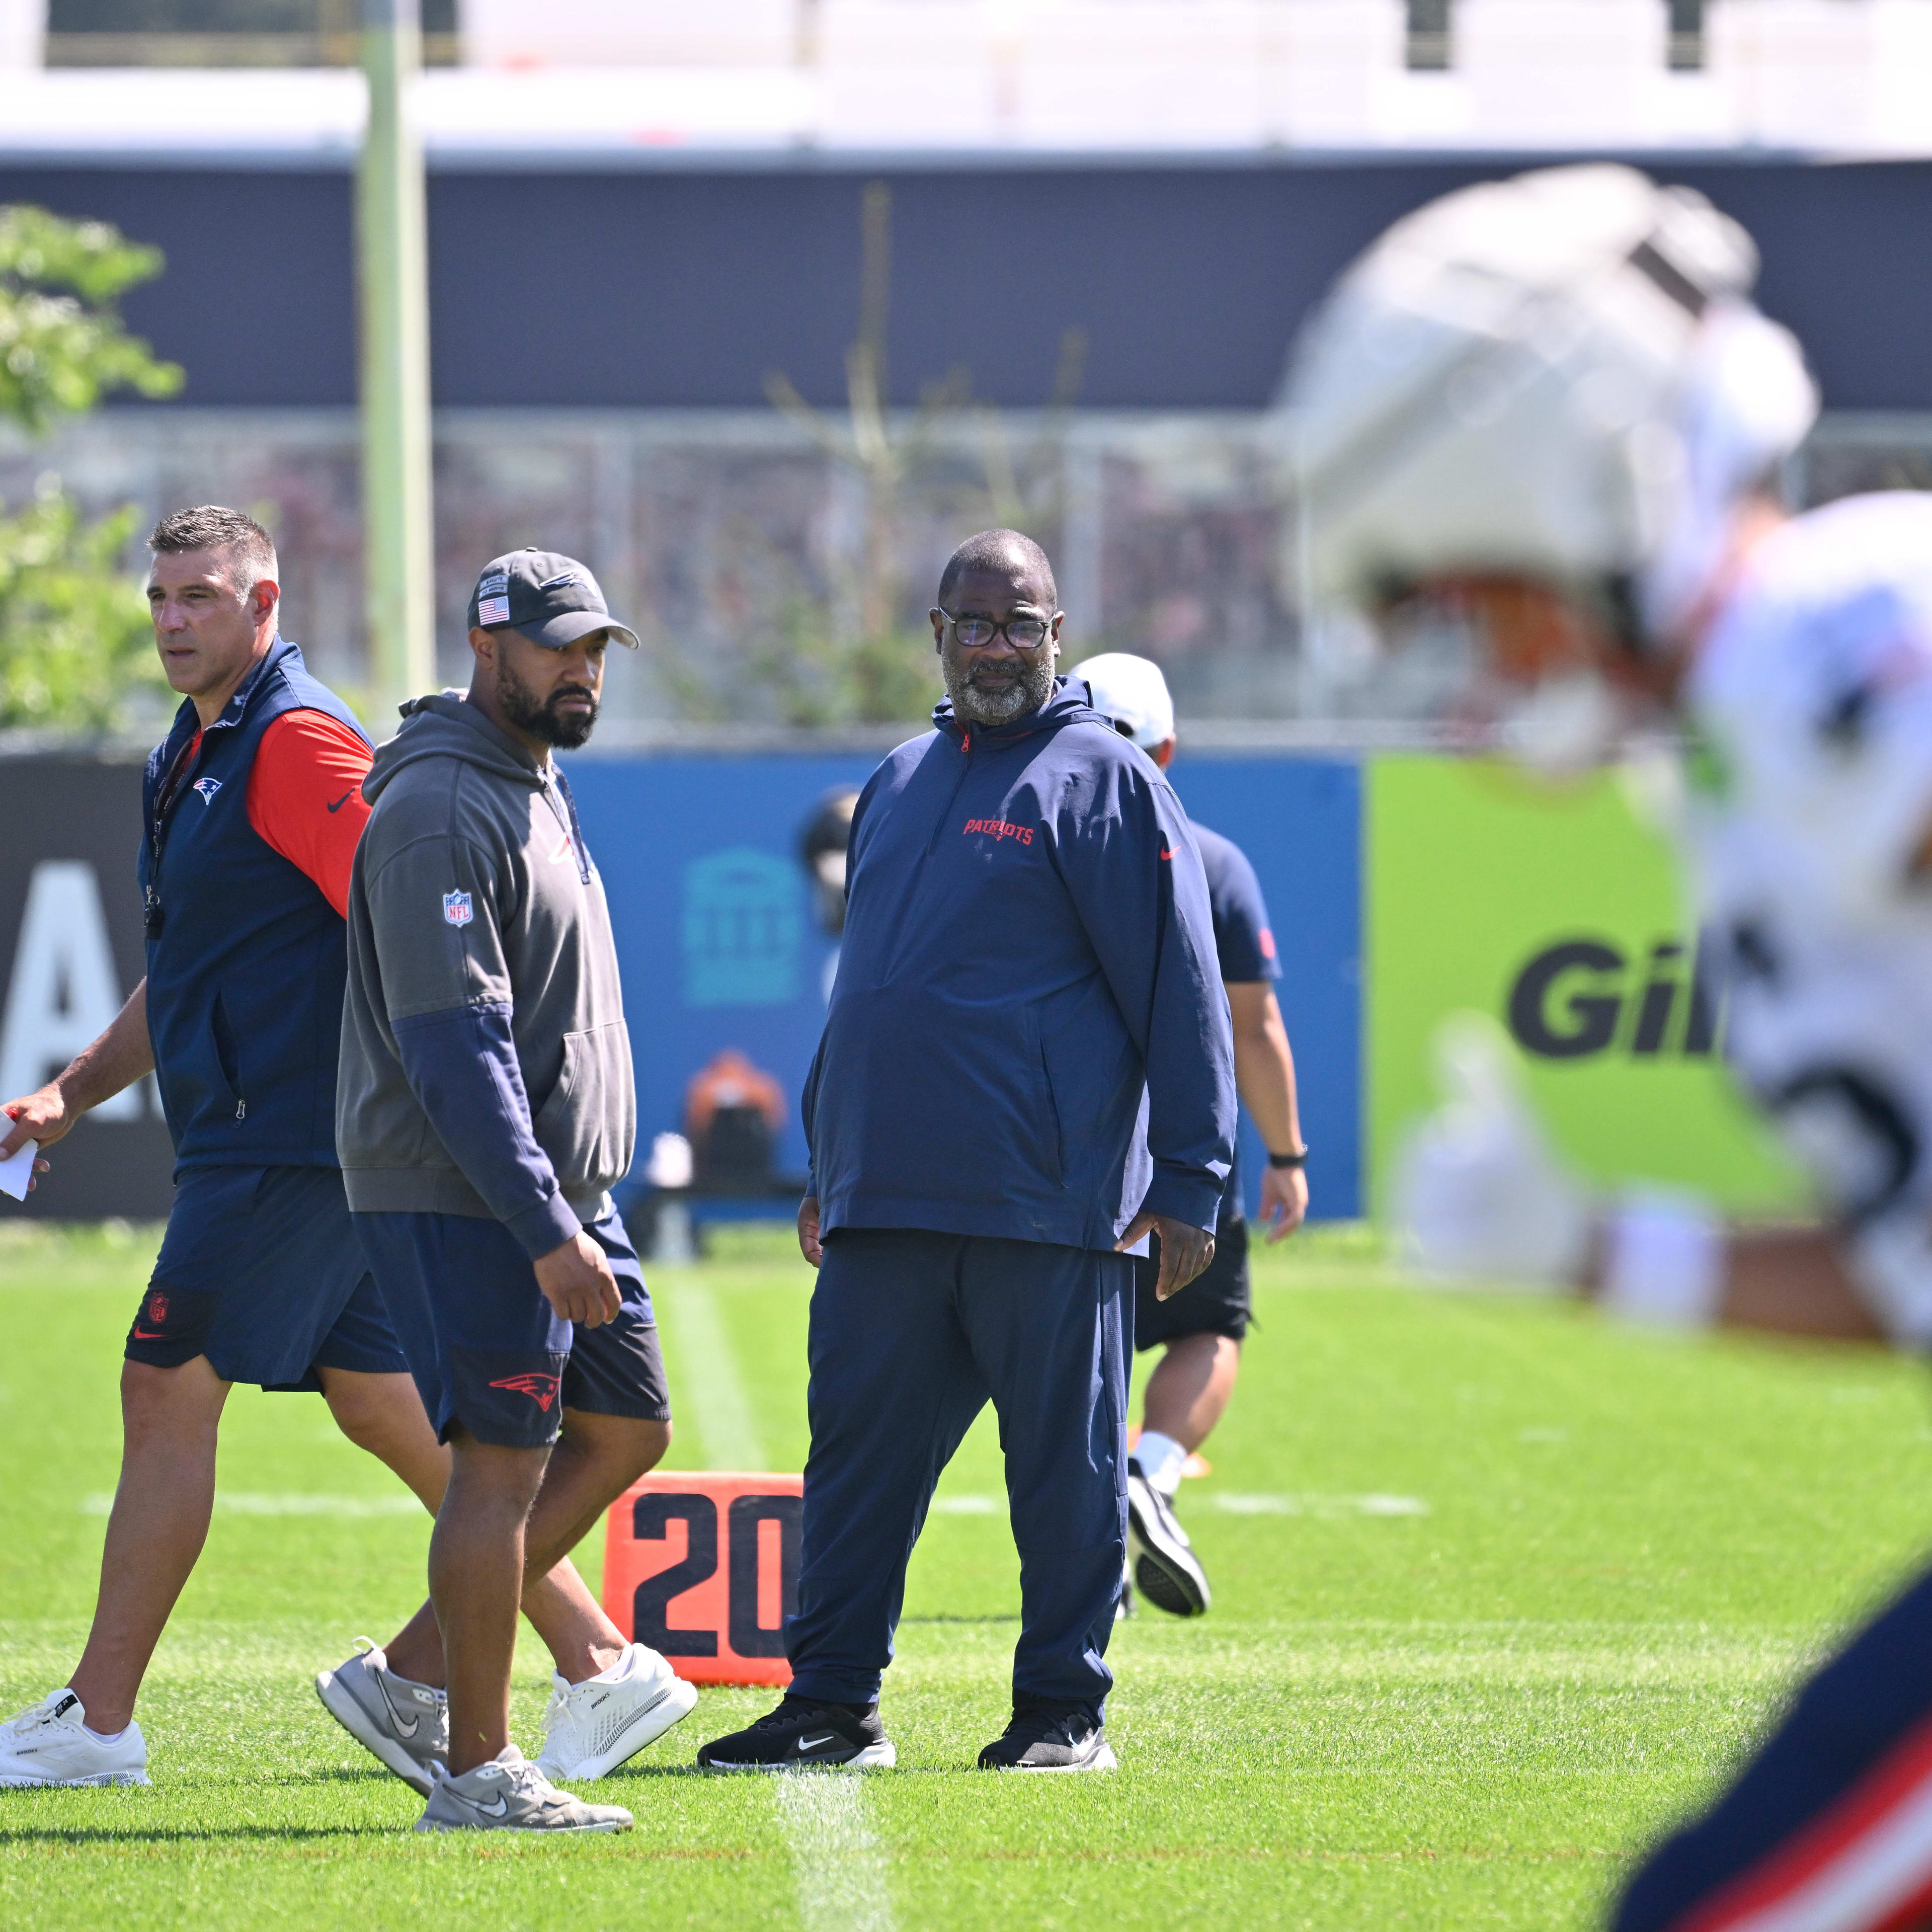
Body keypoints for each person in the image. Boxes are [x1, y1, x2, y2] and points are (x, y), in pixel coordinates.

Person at [1286, 161, 1932, 1932]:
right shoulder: (1737, 766)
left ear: (1583, 498)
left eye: (1477, 596)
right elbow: (1914, 1272)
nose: (1485, 661)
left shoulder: (1842, 630)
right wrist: (1597, 1253)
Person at [695, 528, 1236, 1776]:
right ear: (935, 633)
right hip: (888, 1197)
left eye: (1024, 624)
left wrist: (1196, 1179)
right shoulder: (896, 778)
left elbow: (1182, 991)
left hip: (1048, 1201)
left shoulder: (1106, 780)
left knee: (1066, 1479)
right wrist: (831, 1159)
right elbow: (866, 990)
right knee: (855, 1477)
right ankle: (831, 1708)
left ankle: (1061, 1714)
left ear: (1058, 636)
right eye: (976, 623)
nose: (999, 647)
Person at [0, 506, 449, 1790]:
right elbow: (187, 970)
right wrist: (72, 1095)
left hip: (288, 1143)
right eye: (160, 599)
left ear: (263, 607)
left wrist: (451, 1100)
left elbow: (403, 913)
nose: (174, 620)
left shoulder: (296, 740)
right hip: (266, 1139)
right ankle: (600, 1662)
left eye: (201, 596)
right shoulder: (193, 750)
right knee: (385, 1408)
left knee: (163, 1389)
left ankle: (96, 1723)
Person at [338, 548, 680, 1835]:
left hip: (559, 1188)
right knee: (500, 1468)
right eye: (557, 646)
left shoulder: (530, 774)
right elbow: (451, 1042)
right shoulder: (436, 802)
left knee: (627, 1427)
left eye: (595, 647)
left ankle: (412, 1673)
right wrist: (543, 1226)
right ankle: (477, 1773)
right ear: (488, 647)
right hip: (474, 1192)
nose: (582, 668)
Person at [1072, 652, 1311, 1620]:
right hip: (1181, 1150)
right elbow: (1253, 1026)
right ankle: (1154, 1474)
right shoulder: (1212, 861)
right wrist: (1287, 1154)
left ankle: (1084, 1556)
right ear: (1167, 748)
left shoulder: (1006, 843)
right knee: (1210, 1326)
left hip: (1061, 1151)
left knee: (1071, 1354)